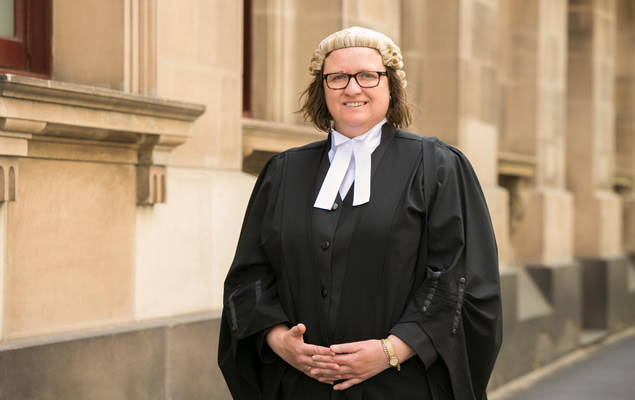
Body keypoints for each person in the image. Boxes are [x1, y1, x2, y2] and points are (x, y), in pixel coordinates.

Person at [218, 26, 502, 400]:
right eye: (337, 77)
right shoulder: (283, 172)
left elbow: (460, 277)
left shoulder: (437, 167)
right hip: (301, 387)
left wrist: (392, 350)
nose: (352, 88)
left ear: (391, 86)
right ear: (322, 89)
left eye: (368, 75)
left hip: (402, 386)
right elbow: (249, 277)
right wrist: (279, 340)